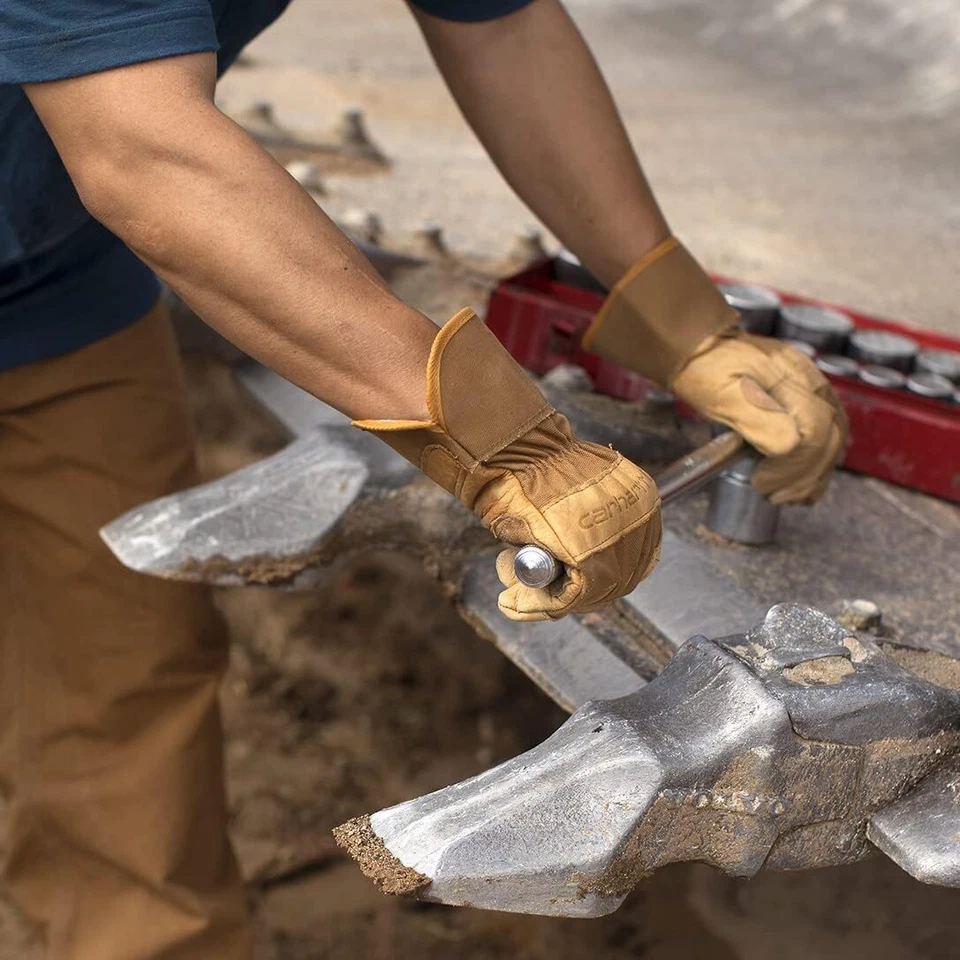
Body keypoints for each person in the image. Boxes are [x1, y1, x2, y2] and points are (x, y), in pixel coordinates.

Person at [0, 0, 847, 955]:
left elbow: (504, 27)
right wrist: (506, 446)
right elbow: (141, 151)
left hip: (52, 299)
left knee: (119, 673)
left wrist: (681, 323)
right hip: (87, 213)